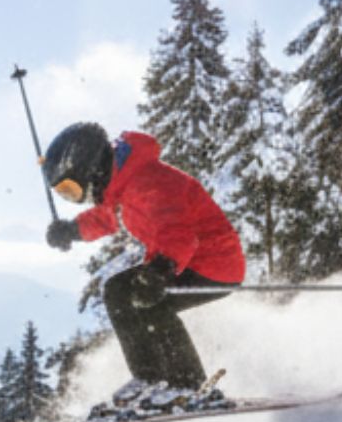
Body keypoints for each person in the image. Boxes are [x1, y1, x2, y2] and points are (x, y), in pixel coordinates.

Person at [42, 122, 246, 404]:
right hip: (183, 261)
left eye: (71, 190)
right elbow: (105, 218)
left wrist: (160, 271)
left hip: (214, 264)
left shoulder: (148, 182)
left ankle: (188, 384)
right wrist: (71, 230)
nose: (77, 199)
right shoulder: (122, 181)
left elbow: (179, 234)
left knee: (152, 302)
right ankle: (149, 378)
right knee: (117, 290)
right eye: (65, 194)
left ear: (89, 167)